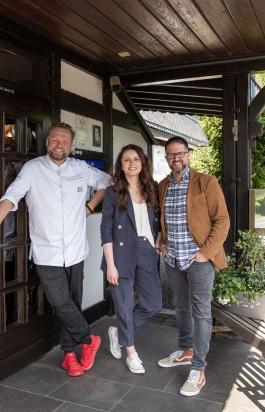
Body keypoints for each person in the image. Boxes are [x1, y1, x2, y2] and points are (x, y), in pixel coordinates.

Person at [0, 122, 111, 377]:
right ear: (48, 143)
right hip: (47, 253)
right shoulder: (33, 169)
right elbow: (11, 197)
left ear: (71, 146)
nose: (60, 145)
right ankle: (89, 339)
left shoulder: (80, 169)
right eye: (55, 140)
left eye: (65, 141)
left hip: (76, 250)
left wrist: (90, 206)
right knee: (60, 302)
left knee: (72, 304)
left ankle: (70, 355)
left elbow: (107, 181)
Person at [157, 136, 230, 396]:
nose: (176, 158)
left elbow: (222, 221)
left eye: (180, 154)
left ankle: (198, 369)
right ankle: (186, 350)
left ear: (188, 155)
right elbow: (162, 218)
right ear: (166, 158)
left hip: (197, 259)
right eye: (171, 155)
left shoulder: (206, 182)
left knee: (200, 312)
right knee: (181, 307)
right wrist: (160, 242)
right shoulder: (163, 184)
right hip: (173, 259)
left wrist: (205, 253)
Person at [101, 144, 162, 374]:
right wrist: (110, 264)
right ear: (121, 165)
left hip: (146, 251)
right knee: (124, 307)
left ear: (142, 162)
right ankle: (131, 352)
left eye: (135, 159)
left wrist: (157, 242)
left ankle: (118, 332)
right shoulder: (113, 192)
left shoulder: (153, 188)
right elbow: (105, 228)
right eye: (126, 160)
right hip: (119, 253)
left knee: (153, 303)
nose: (132, 163)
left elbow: (159, 220)